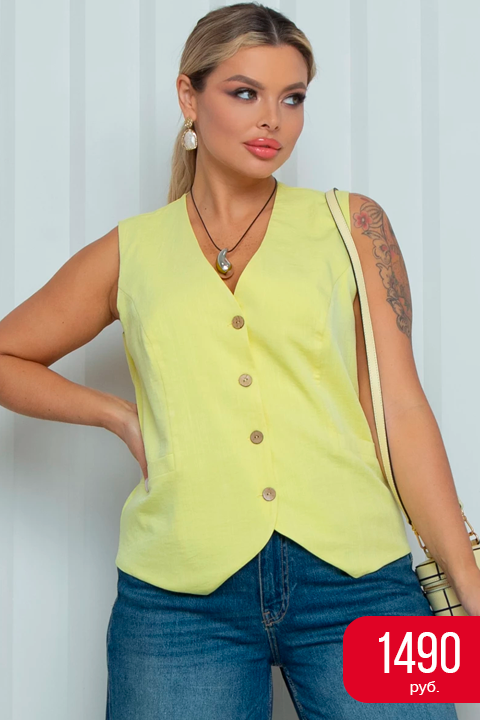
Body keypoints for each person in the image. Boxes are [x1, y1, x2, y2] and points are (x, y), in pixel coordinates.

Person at [0, 3, 478, 719]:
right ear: (189, 97)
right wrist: (116, 415)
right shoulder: (132, 251)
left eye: (293, 98)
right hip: (177, 602)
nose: (272, 121)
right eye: (245, 92)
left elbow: (401, 410)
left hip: (364, 583)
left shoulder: (353, 225)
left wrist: (468, 582)